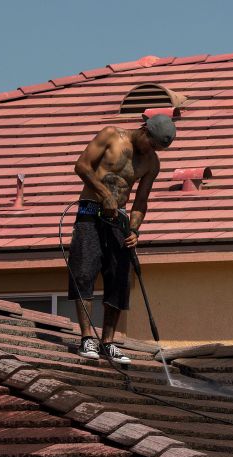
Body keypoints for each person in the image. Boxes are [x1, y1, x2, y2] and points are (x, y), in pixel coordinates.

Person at [67, 115, 175, 363]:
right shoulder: (111, 135)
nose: (152, 149)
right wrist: (104, 193)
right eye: (152, 143)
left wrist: (134, 230)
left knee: (118, 278)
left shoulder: (152, 163)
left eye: (158, 148)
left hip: (119, 219)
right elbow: (81, 166)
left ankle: (108, 342)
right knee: (84, 271)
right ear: (144, 130)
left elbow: (141, 201)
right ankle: (86, 339)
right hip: (90, 211)